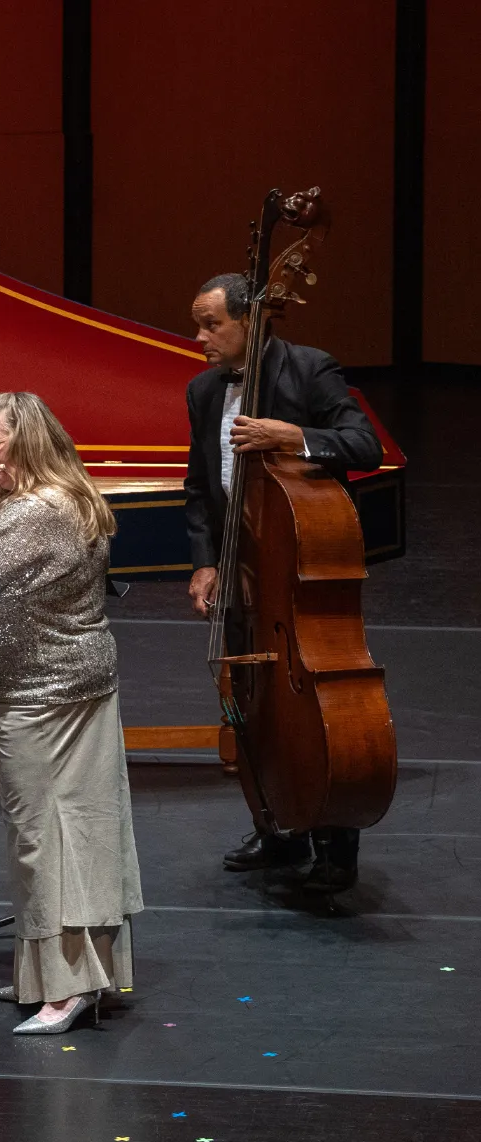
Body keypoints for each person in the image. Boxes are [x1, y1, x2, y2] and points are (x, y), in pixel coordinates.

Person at [0, 391, 143, 1035]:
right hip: (41, 688)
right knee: (54, 832)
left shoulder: (42, 511)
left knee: (49, 837)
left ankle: (69, 988)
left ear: (27, 441)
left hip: (45, 697)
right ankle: (50, 975)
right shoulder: (42, 502)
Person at [183, 274, 384, 892]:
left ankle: (332, 839)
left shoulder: (309, 369)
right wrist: (206, 560)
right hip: (242, 571)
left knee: (309, 698)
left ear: (251, 320)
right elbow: (200, 486)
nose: (200, 338)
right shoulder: (202, 390)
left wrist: (293, 436)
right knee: (255, 694)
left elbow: (364, 445)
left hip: (296, 566)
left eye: (211, 324)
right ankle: (276, 826)